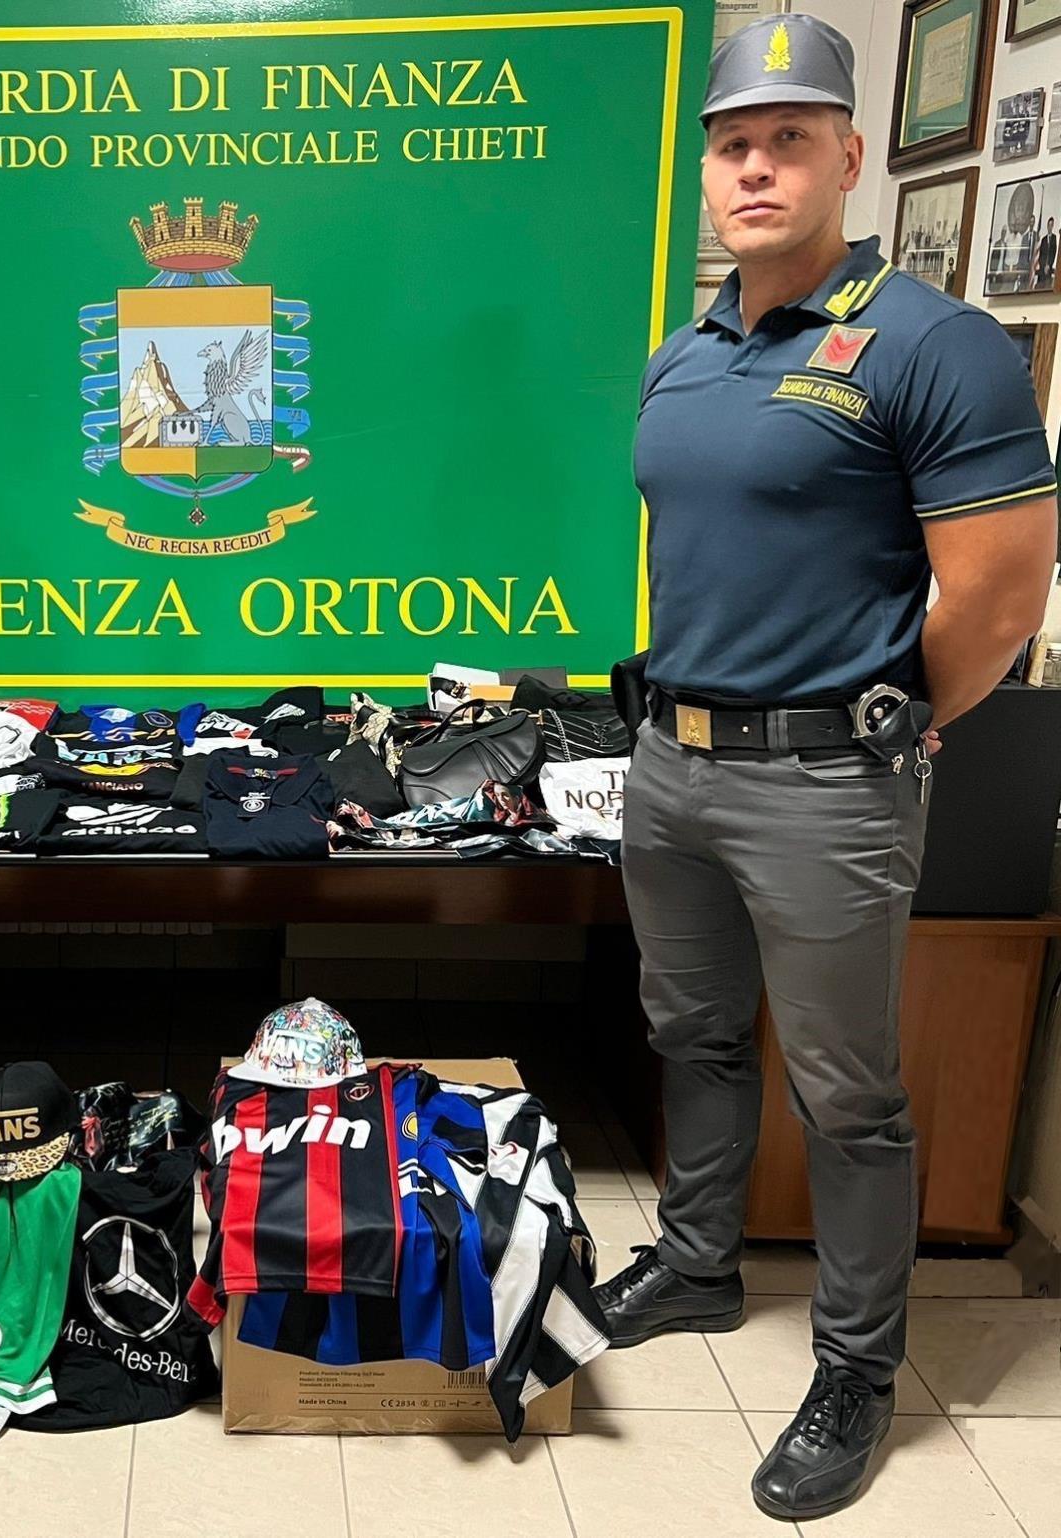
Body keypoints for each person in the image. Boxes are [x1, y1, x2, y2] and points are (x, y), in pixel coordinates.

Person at [601, 14, 1057, 1523]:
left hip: (823, 784)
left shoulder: (936, 344)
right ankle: (697, 1260)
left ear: (850, 156)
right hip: (669, 763)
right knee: (692, 1036)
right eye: (734, 143)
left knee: (850, 1094)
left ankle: (857, 1366)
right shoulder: (687, 351)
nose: (756, 166)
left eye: (789, 139)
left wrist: (891, 720)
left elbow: (1000, 594)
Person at [1038, 217, 1058, 290]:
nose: (1049, 227)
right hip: (1042, 268)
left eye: (1051, 225)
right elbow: (1041, 254)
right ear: (1047, 226)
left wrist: (1049, 265)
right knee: (1040, 287)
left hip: (1049, 268)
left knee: (1047, 287)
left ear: (1052, 226)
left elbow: (1053, 253)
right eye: (1048, 225)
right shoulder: (1043, 239)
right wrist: (1043, 266)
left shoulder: (1054, 238)